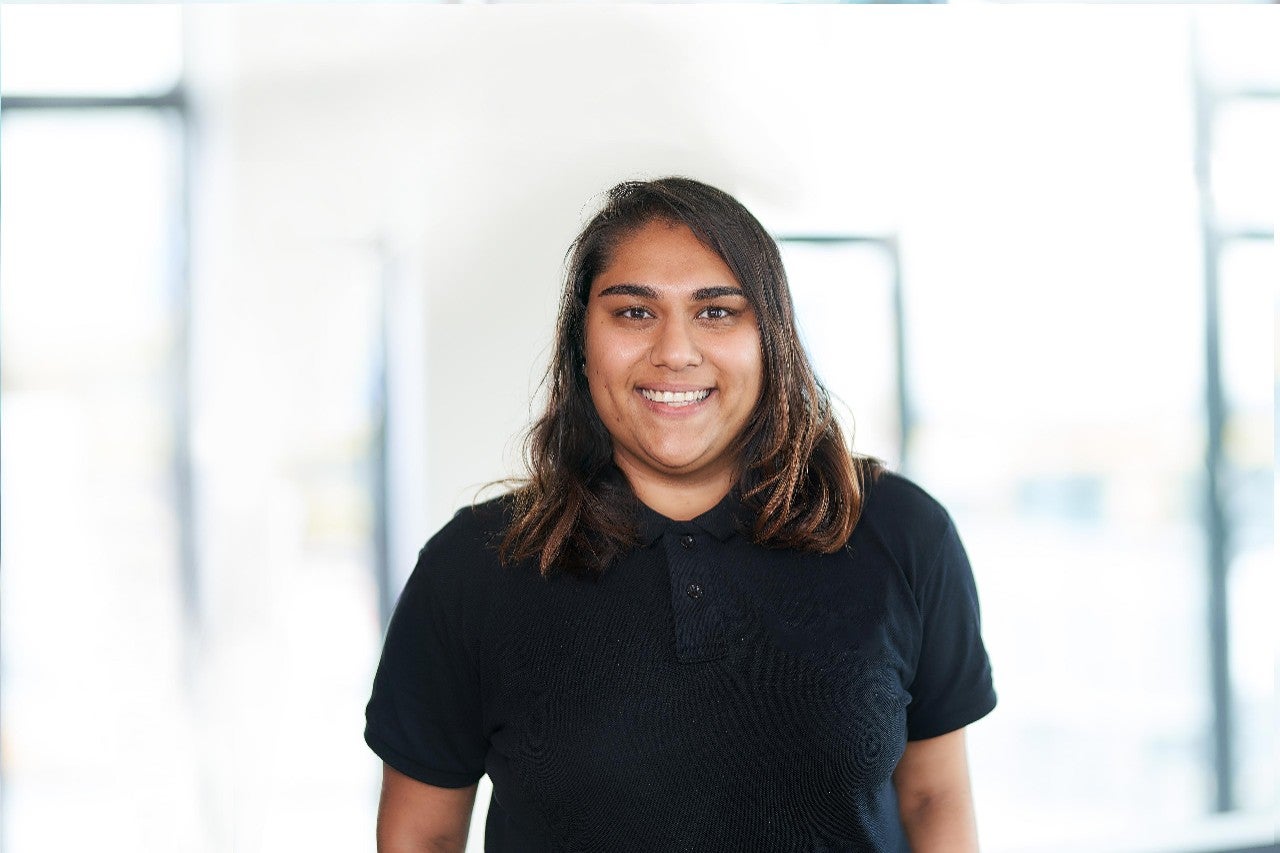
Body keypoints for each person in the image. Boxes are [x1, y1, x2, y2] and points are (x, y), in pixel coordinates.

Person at [365, 177, 996, 852]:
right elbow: (421, 836)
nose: (674, 351)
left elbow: (934, 798)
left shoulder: (902, 534)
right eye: (634, 312)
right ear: (582, 343)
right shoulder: (472, 566)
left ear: (772, 338)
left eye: (717, 311)